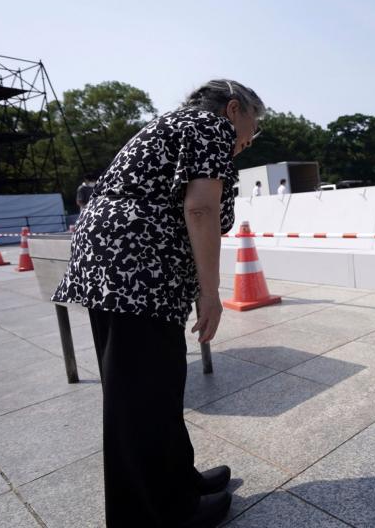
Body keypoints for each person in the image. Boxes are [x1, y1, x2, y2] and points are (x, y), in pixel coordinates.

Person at [53, 79, 265, 527]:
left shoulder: (179, 125)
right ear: (233, 110)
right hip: (136, 269)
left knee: (155, 386)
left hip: (118, 264)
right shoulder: (211, 127)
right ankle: (159, 515)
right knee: (144, 393)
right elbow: (201, 209)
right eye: (254, 123)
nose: (251, 136)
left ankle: (177, 482)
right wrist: (210, 293)